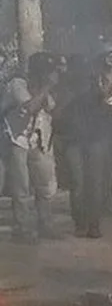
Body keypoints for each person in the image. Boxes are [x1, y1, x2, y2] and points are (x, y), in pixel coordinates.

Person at [3, 52, 61, 243]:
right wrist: (47, 86)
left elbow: (52, 109)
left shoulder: (42, 88)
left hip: (37, 139)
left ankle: (45, 224)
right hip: (16, 139)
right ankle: (22, 229)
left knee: (44, 185)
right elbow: (29, 107)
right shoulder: (17, 84)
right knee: (21, 187)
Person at [58, 53, 112, 238]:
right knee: (81, 183)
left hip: (93, 138)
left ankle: (92, 223)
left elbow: (105, 102)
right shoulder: (65, 87)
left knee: (91, 183)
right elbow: (59, 112)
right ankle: (84, 222)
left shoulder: (94, 84)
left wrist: (106, 84)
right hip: (75, 139)